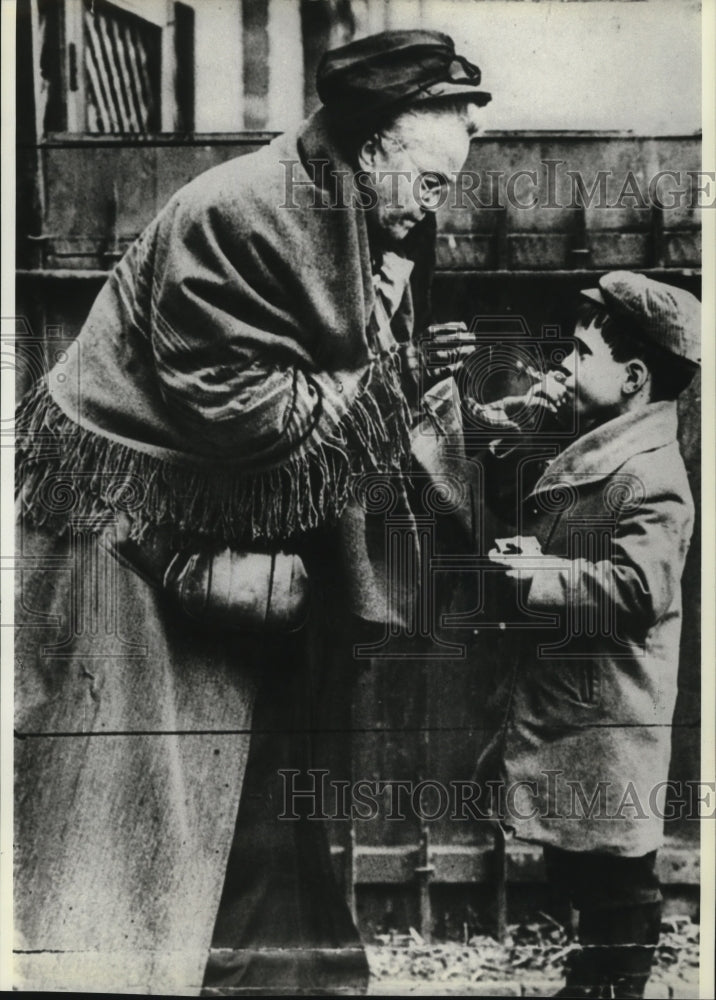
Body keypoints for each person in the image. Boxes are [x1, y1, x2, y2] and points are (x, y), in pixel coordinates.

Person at [14, 29, 491, 996]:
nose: (436, 210)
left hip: (236, 534)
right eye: (433, 185)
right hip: (128, 536)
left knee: (266, 773)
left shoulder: (363, 212)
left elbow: (337, 389)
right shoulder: (233, 218)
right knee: (144, 813)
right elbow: (260, 430)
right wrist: (392, 381)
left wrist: (401, 369)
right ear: (370, 150)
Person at [479, 271, 700, 999]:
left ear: (633, 378)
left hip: (610, 719)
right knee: (586, 870)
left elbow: (639, 590)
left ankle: (613, 983)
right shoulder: (607, 441)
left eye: (579, 355)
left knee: (618, 883)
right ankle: (598, 975)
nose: (563, 369)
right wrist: (532, 419)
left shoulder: (653, 475)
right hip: (583, 714)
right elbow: (548, 497)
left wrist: (545, 574)